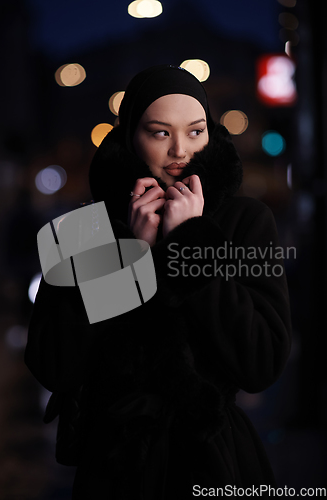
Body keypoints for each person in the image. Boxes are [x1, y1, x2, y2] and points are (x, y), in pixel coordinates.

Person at [25, 65, 292, 499]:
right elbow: (53, 363)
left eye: (196, 131)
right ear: (132, 136)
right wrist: (133, 255)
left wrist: (188, 245)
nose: (181, 151)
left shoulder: (244, 221)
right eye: (160, 133)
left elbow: (261, 361)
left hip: (215, 463)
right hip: (112, 467)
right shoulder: (81, 231)